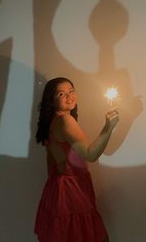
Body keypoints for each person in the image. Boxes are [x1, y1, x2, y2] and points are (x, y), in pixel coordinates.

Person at [34, 77, 119, 242]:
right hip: (72, 191)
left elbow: (50, 163)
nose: (69, 96)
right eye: (61, 94)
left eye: (71, 91)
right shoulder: (65, 120)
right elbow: (90, 154)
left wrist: (57, 193)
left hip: (58, 190)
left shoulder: (51, 123)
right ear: (51, 101)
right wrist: (108, 128)